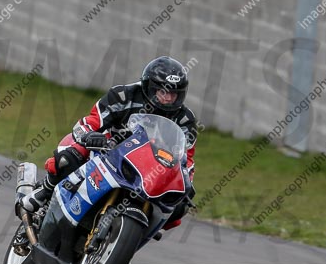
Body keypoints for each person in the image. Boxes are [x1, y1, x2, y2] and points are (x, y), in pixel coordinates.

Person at [20, 57, 198, 230]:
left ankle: (125, 244)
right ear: (148, 86)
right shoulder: (123, 95)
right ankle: (45, 192)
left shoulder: (185, 120)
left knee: (179, 207)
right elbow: (90, 122)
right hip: (107, 152)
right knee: (69, 156)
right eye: (163, 92)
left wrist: (187, 181)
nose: (168, 99)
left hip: (148, 170)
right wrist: (90, 135)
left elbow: (186, 159)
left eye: (173, 94)